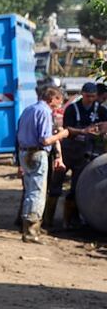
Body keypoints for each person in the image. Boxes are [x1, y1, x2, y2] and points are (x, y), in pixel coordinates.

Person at [15, 86, 71, 242]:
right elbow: (45, 139)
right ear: (52, 98)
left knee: (29, 190)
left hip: (24, 152)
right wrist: (62, 134)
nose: (60, 105)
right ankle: (32, 231)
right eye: (59, 100)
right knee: (37, 192)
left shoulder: (28, 110)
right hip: (37, 153)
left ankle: (26, 225)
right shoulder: (45, 112)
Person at [60, 82, 104, 228]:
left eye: (93, 96)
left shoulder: (101, 110)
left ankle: (78, 218)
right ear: (82, 94)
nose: (90, 99)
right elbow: (66, 129)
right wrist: (83, 131)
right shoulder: (72, 109)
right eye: (87, 96)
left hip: (90, 153)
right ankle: (59, 220)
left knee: (80, 186)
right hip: (70, 151)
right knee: (58, 185)